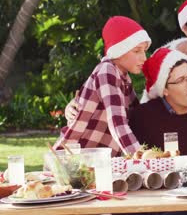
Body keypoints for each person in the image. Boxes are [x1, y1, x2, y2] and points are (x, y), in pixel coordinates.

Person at [53, 16, 151, 156]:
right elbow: (117, 123)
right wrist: (142, 158)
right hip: (73, 161)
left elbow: (137, 118)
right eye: (137, 51)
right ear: (119, 50)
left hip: (98, 163)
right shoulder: (107, 71)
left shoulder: (124, 78)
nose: (144, 58)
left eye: (144, 50)